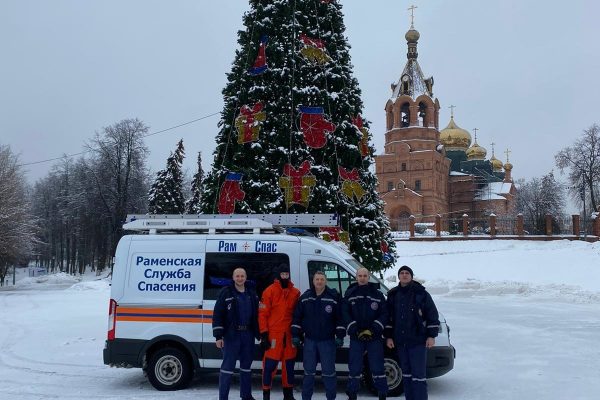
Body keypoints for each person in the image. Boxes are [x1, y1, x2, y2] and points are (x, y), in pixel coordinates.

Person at [385, 266, 439, 400]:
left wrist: (431, 335)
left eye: (407, 273)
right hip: (401, 341)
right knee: (406, 375)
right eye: (402, 273)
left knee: (419, 376)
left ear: (411, 276)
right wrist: (389, 337)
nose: (404, 275)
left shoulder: (421, 293)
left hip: (418, 341)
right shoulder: (393, 295)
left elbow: (432, 315)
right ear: (398, 276)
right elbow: (388, 317)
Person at [291, 271, 345, 400]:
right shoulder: (305, 297)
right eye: (317, 279)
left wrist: (340, 336)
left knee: (329, 373)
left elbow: (340, 318)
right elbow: (297, 317)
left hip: (327, 341)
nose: (319, 282)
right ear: (313, 281)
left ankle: (331, 397)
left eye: (322, 279)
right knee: (308, 372)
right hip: (310, 341)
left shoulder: (333, 297)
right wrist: (295, 335)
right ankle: (306, 397)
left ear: (325, 281)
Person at [213, 267, 260, 400]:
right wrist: (218, 336)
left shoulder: (251, 293)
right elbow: (218, 315)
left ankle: (246, 395)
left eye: (242, 276)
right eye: (237, 276)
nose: (240, 278)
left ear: (246, 277)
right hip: (231, 335)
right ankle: (223, 397)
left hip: (248, 334)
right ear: (233, 278)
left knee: (246, 367)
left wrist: (260, 333)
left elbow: (257, 315)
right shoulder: (226, 292)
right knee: (227, 367)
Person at [343, 267, 389, 400]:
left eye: (365, 276)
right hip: (356, 337)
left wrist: (374, 329)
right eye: (360, 276)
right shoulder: (350, 293)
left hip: (374, 337)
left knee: (377, 367)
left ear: (368, 277)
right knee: (354, 367)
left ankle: (382, 393)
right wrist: (355, 329)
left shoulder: (377, 294)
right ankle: (352, 394)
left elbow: (384, 313)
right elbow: (345, 313)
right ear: (356, 277)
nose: (362, 278)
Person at [259, 263, 301, 400]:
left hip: (289, 335)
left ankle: (288, 395)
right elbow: (262, 314)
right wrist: (264, 334)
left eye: (286, 274)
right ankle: (266, 394)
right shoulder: (269, 291)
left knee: (289, 366)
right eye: (282, 274)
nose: (284, 276)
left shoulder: (296, 293)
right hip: (274, 335)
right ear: (278, 275)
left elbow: (299, 314)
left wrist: (298, 333)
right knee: (269, 366)